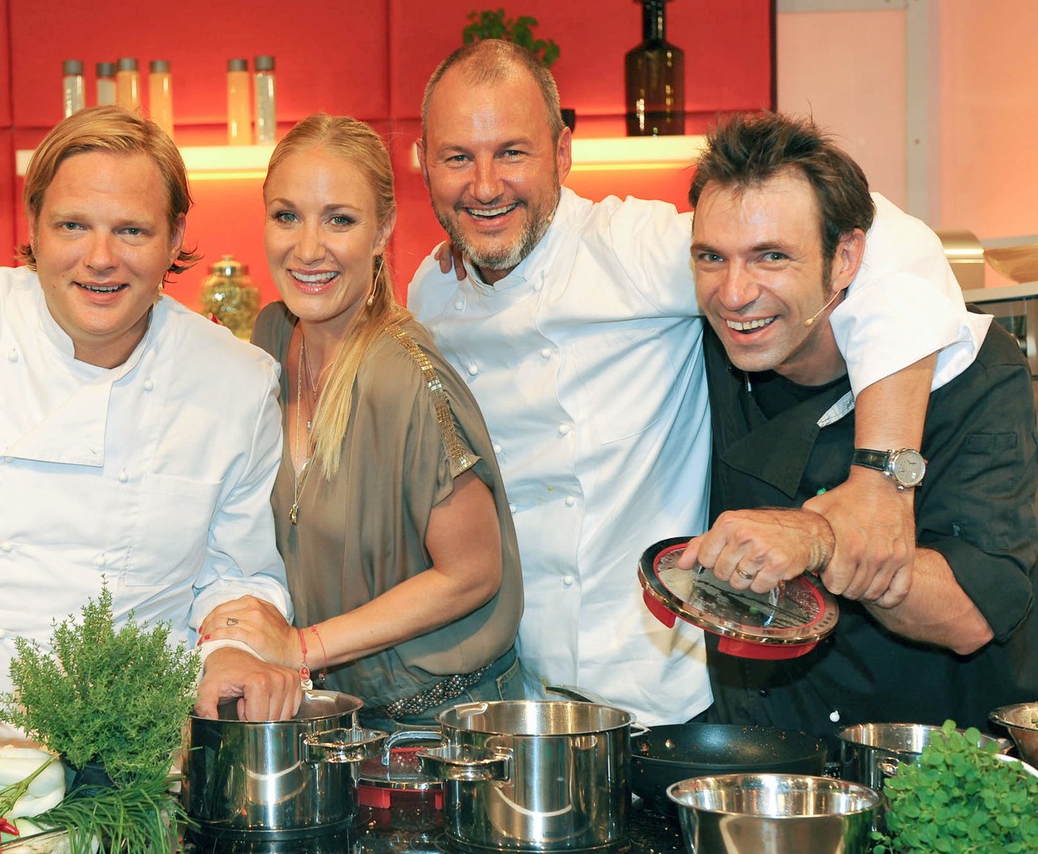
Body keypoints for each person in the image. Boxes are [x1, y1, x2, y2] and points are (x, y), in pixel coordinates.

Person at [407, 39, 986, 725]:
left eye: (512, 152)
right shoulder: (428, 293)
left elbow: (887, 239)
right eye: (457, 158)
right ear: (421, 162)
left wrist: (880, 479)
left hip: (662, 686)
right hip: (521, 686)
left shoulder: (631, 249)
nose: (484, 185)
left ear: (562, 152)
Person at [0, 106, 301, 743]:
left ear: (175, 236)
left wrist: (232, 647)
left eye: (133, 230)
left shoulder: (235, 381)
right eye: (72, 225)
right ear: (34, 226)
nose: (100, 258)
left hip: (137, 770)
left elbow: (237, 572)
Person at [679, 112, 1037, 750]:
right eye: (712, 257)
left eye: (772, 257)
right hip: (762, 759)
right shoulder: (709, 346)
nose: (734, 293)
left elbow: (972, 613)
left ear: (846, 256)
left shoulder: (974, 374)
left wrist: (818, 539)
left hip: (927, 764)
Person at [200, 114, 524, 728]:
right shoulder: (272, 337)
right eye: (286, 215)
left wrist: (302, 647)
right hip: (339, 716)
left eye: (339, 220)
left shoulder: (402, 374)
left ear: (383, 232)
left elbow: (473, 573)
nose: (308, 248)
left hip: (445, 726)